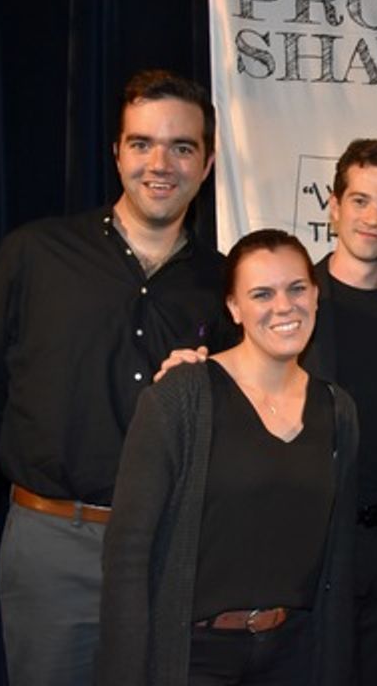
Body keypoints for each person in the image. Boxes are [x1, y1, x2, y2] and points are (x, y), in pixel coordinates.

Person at [0, 69, 230, 685]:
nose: (160, 163)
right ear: (116, 152)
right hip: (49, 546)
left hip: (173, 552)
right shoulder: (35, 254)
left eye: (182, 146)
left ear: (208, 160)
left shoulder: (224, 286)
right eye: (142, 143)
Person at [157, 138, 377, 686]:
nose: (372, 218)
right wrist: (188, 367)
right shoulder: (285, 306)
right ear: (333, 206)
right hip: (300, 553)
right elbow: (219, 373)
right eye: (359, 201)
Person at [98, 230, 357, 685]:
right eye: (261, 294)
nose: (284, 306)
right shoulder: (181, 396)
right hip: (195, 658)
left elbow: (340, 559)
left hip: (294, 655)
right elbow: (128, 553)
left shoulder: (338, 409)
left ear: (316, 295)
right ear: (234, 308)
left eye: (297, 288)